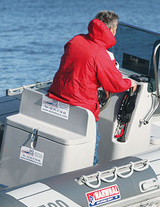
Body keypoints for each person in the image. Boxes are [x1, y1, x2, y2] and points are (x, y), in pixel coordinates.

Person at [48, 10, 137, 165]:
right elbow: (114, 84)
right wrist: (130, 83)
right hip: (81, 106)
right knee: (91, 146)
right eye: (116, 30)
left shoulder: (75, 40)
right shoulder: (100, 54)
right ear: (111, 30)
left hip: (57, 97)